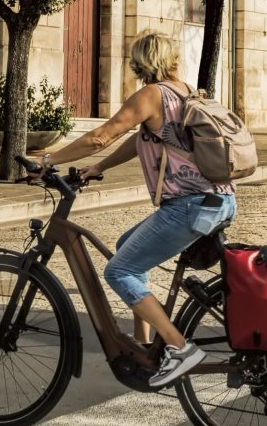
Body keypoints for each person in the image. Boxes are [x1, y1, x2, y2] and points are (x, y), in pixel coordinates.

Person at [34, 31, 236, 389]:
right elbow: (141, 138)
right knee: (129, 246)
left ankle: (179, 348)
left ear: (142, 61)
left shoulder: (151, 94)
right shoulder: (185, 91)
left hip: (189, 206)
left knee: (119, 270)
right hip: (216, 200)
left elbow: (102, 135)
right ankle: (144, 345)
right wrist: (100, 167)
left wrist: (48, 159)